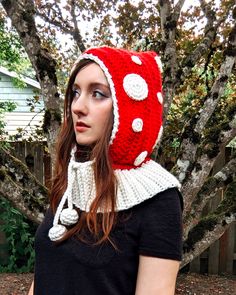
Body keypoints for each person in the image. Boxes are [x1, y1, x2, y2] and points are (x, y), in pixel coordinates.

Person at [29, 46, 183, 295]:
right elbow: (45, 274)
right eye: (76, 93)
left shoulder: (159, 199)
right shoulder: (74, 180)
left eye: (98, 93)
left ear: (130, 107)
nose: (77, 106)